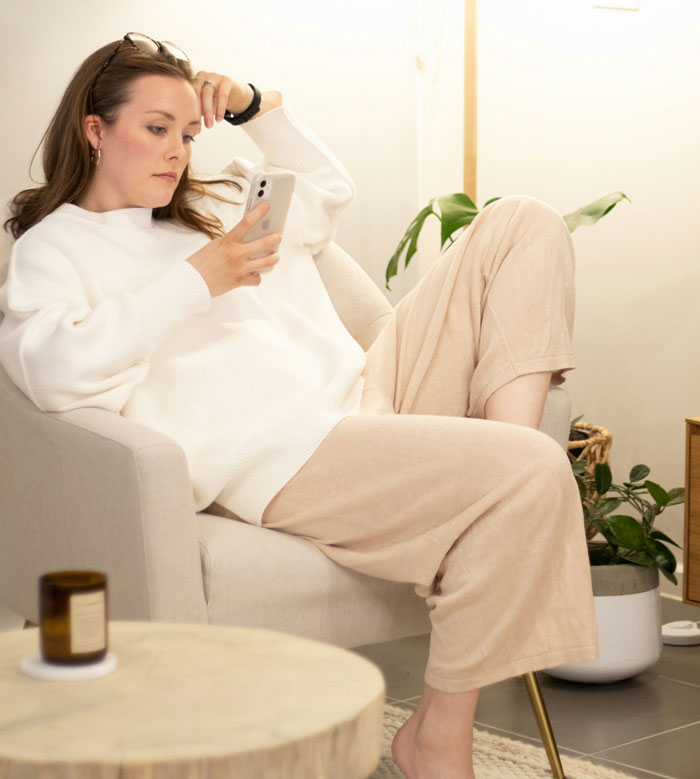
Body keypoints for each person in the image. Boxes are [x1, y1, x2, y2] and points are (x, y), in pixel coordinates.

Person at [0, 33, 598, 779]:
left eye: (187, 133)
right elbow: (54, 370)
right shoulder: (55, 249)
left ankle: (483, 504)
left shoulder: (214, 207)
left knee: (526, 222)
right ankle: (440, 723)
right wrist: (199, 278)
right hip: (288, 452)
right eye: (156, 129)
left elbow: (327, 187)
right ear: (95, 130)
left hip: (371, 394)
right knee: (528, 468)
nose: (177, 152)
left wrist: (256, 108)